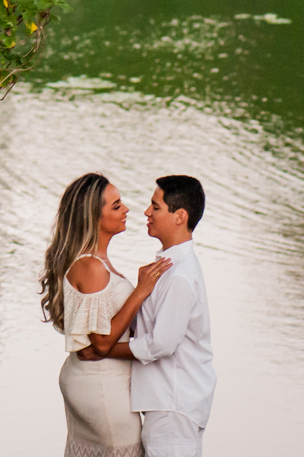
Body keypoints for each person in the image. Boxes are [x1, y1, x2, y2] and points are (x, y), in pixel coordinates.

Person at [78, 175, 215, 457]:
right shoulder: (169, 267)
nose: (146, 212)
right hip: (166, 404)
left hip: (173, 406)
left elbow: (160, 344)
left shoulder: (180, 276)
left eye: (155, 206)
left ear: (180, 217)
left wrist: (103, 350)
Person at [40, 172, 173, 457]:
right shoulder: (90, 266)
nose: (126, 209)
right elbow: (99, 344)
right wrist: (140, 291)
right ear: (93, 217)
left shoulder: (95, 261)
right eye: (116, 205)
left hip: (94, 381)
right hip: (100, 386)